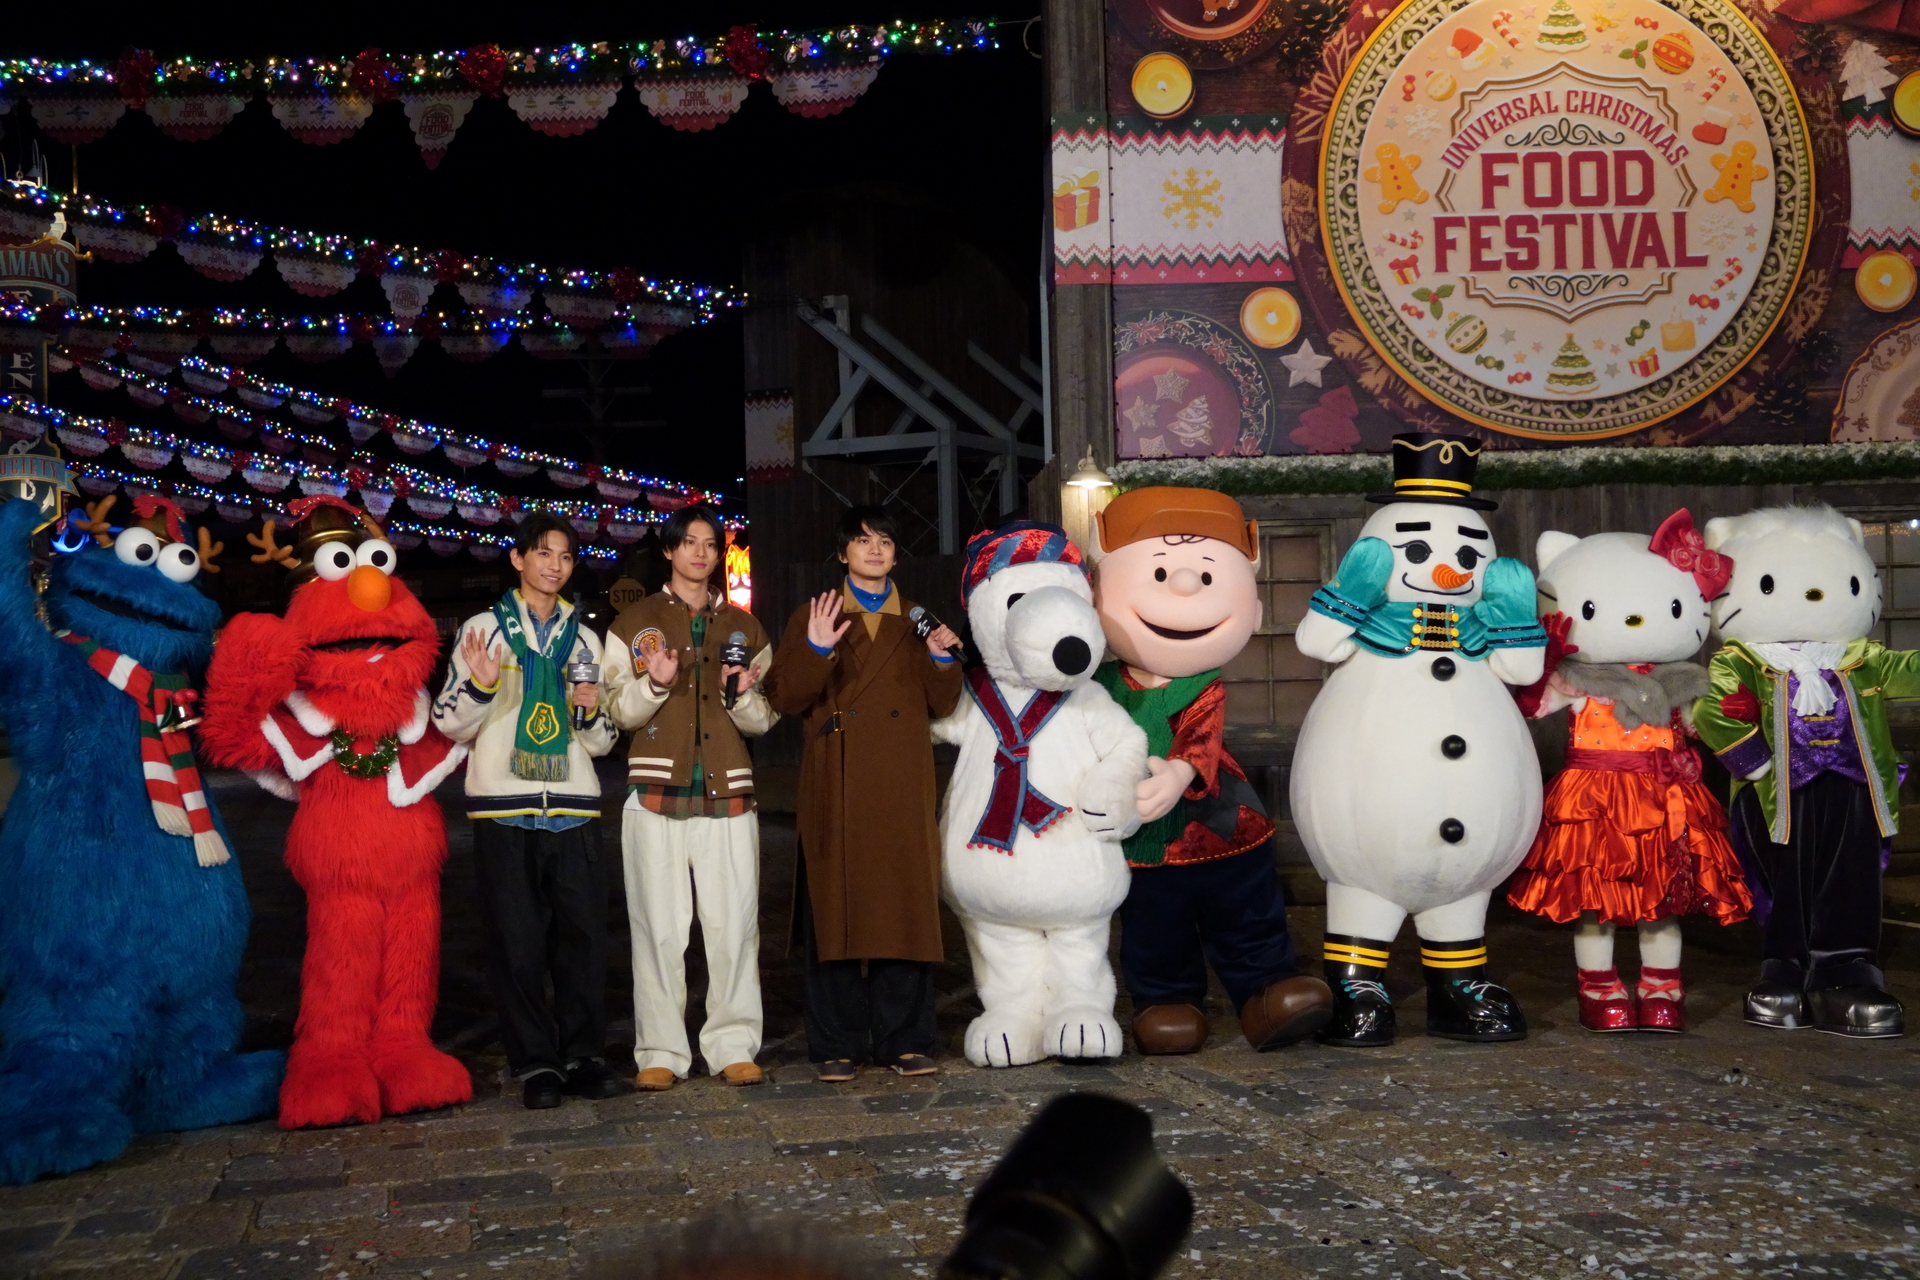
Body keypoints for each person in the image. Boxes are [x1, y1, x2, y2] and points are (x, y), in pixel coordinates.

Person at [762, 506, 964, 1082]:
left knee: (903, 905)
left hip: (901, 778)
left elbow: (942, 703)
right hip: (838, 776)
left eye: (885, 541)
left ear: (897, 555)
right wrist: (818, 646)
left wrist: (944, 659)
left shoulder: (918, 620)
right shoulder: (819, 612)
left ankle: (906, 1038)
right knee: (836, 907)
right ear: (843, 554)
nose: (874, 549)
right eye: (861, 540)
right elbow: (787, 698)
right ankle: (835, 1043)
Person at [433, 512, 621, 1109]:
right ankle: (537, 1062)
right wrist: (483, 685)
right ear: (517, 560)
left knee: (584, 937)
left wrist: (588, 710)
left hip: (572, 803)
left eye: (564, 557)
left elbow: (600, 742)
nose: (554, 566)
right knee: (516, 942)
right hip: (503, 807)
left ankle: (584, 1053)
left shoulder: (586, 639)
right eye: (542, 554)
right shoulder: (483, 631)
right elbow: (448, 723)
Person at [606, 505, 778, 1089]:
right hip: (654, 791)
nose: (701, 554)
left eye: (711, 544)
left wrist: (741, 695)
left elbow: (763, 721)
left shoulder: (746, 628)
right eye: (690, 543)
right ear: (670, 551)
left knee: (733, 927)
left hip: (728, 790)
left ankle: (732, 1043)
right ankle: (660, 1051)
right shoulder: (634, 623)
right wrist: (653, 681)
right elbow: (616, 712)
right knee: (658, 928)